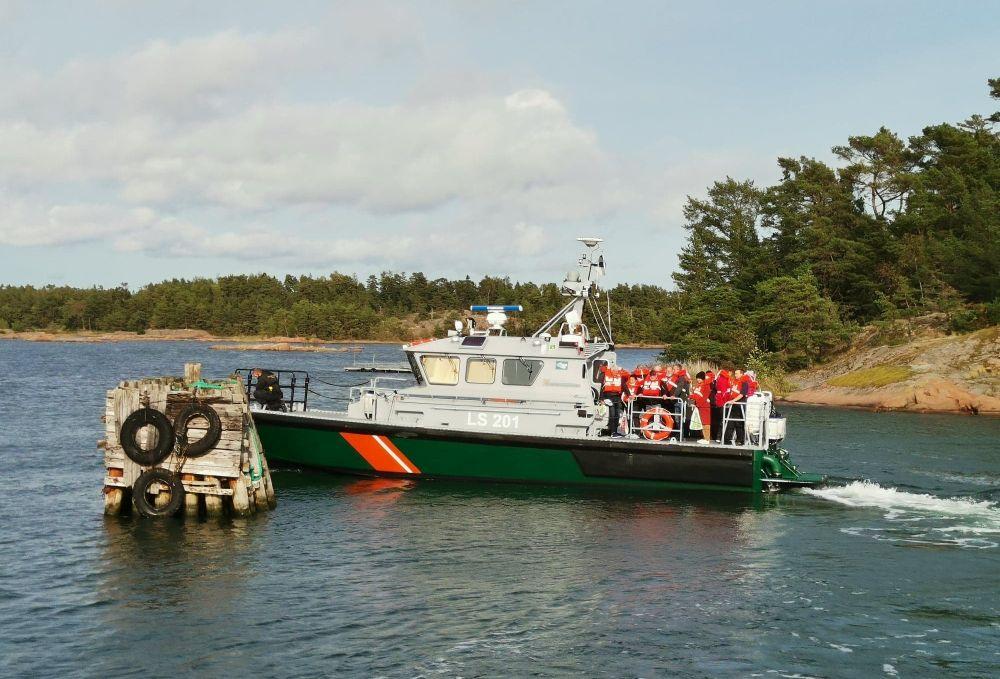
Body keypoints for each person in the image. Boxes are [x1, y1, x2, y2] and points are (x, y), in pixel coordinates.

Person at [723, 368, 750, 444]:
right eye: (735, 373)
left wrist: (733, 400)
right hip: (733, 405)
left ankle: (740, 440)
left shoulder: (744, 382)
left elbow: (742, 394)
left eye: (737, 373)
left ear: (742, 374)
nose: (735, 375)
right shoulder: (735, 382)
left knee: (739, 423)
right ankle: (727, 439)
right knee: (730, 422)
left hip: (739, 405)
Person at [600, 363, 625, 436]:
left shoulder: (619, 377)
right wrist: (601, 399)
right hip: (608, 397)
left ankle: (615, 431)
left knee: (617, 415)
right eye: (614, 371)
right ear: (611, 371)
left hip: (617, 398)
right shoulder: (606, 377)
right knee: (612, 415)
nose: (615, 372)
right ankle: (612, 432)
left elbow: (624, 386)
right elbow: (602, 387)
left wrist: (630, 395)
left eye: (616, 371)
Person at [689, 371, 712, 444]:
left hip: (704, 406)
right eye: (697, 378)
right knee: (702, 422)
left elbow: (703, 397)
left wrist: (692, 397)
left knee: (706, 422)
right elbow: (696, 395)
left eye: (699, 378)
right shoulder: (699, 385)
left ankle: (707, 439)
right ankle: (704, 437)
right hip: (700, 406)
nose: (698, 379)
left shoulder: (706, 386)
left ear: (703, 378)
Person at [711, 369, 729, 442]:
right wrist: (726, 402)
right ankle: (720, 437)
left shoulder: (718, 380)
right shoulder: (724, 380)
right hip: (723, 403)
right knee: (723, 420)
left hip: (718, 402)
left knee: (720, 420)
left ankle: (718, 437)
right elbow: (725, 393)